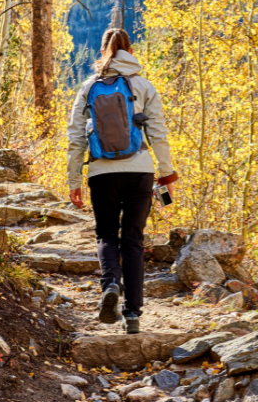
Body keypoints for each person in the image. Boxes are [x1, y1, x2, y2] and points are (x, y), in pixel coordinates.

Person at [66, 28, 177, 334]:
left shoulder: (88, 87)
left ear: (104, 51)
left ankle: (110, 283)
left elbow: (76, 138)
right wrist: (166, 173)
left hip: (101, 173)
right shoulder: (143, 85)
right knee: (133, 240)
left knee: (105, 235)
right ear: (130, 50)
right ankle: (132, 315)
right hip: (139, 171)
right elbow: (158, 133)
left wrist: (74, 179)